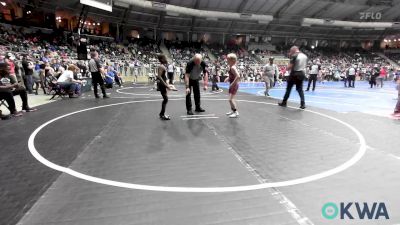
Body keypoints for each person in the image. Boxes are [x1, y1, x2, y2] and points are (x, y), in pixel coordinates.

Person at [157, 55, 173, 120]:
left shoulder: (163, 66)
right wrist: (166, 85)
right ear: (162, 59)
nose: (166, 59)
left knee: (165, 99)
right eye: (165, 58)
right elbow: (159, 76)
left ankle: (162, 114)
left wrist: (168, 84)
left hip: (163, 85)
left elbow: (164, 77)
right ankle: (162, 114)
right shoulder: (161, 66)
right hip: (162, 85)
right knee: (165, 99)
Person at [225, 53, 240, 118]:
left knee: (230, 100)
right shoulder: (231, 67)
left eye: (228, 59)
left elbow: (238, 76)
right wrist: (228, 78)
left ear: (232, 60)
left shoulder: (233, 67)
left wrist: (232, 84)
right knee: (231, 99)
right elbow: (232, 75)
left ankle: (236, 112)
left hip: (234, 85)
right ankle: (233, 111)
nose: (226, 61)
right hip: (232, 84)